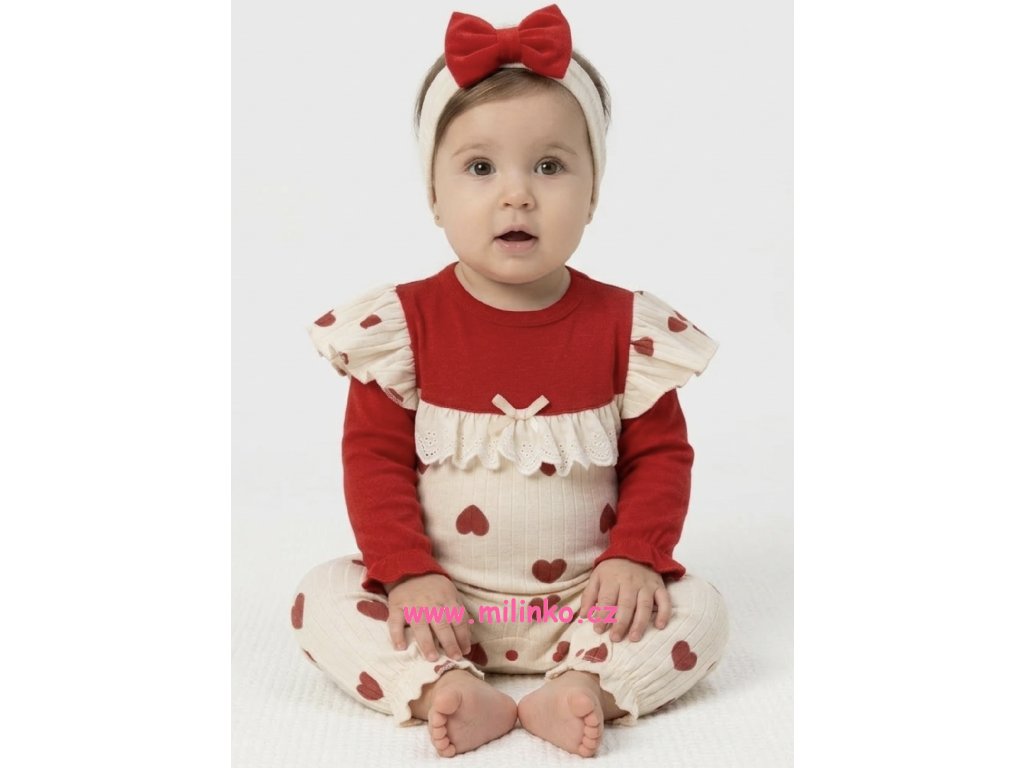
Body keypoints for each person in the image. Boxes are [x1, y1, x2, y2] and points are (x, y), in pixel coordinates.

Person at [292, 4, 729, 758]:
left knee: (702, 606)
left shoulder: (627, 327)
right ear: (434, 195)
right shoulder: (401, 328)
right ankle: (444, 686)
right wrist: (407, 575)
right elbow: (374, 462)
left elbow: (661, 458)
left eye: (550, 167)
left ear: (593, 193)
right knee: (321, 595)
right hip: (445, 608)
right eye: (480, 168)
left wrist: (634, 557)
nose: (517, 194)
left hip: (584, 607)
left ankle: (583, 684)